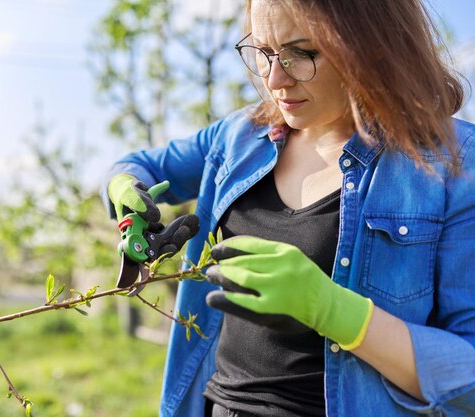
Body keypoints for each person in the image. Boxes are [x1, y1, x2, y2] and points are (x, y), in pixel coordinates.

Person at [103, 0, 475, 415]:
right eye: (263, 53)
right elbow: (141, 167)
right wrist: (126, 196)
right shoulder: (239, 138)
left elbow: (469, 379)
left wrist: (335, 312)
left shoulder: (456, 164)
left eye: (302, 54)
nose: (275, 79)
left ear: (372, 46)